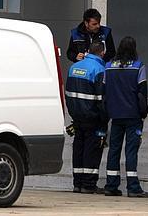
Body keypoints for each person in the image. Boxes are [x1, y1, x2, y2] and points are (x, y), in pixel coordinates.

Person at [103, 36, 148, 198]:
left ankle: (111, 185)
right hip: (133, 116)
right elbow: (142, 93)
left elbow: (104, 92)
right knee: (131, 151)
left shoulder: (108, 67)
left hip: (115, 115)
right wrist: (143, 113)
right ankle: (133, 187)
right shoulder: (139, 67)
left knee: (114, 149)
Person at [65, 42, 108, 194]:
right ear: (102, 53)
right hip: (93, 117)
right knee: (92, 150)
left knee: (78, 148)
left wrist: (73, 113)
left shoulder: (73, 68)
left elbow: (68, 94)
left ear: (89, 51)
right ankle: (88, 185)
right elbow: (101, 98)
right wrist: (104, 118)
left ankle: (77, 183)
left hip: (77, 116)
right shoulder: (99, 70)